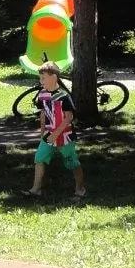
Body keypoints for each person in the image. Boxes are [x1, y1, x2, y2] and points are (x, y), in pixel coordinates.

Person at [27, 62, 85, 200]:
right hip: (48, 134)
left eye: (43, 78)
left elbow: (69, 118)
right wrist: (42, 133)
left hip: (65, 136)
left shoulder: (64, 96)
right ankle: (36, 189)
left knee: (72, 163)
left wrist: (56, 134)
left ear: (54, 77)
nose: (41, 81)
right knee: (39, 159)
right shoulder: (42, 94)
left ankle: (80, 189)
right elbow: (43, 114)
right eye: (40, 78)